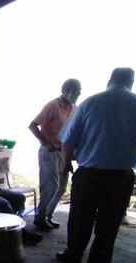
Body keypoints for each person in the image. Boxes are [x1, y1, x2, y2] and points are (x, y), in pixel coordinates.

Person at [56, 67, 136, 263]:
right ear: (131, 82)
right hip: (120, 176)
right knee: (109, 221)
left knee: (80, 218)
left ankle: (73, 255)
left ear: (110, 80)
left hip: (88, 174)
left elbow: (68, 140)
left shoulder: (89, 102)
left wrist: (65, 164)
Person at [29, 79, 82, 231]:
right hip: (50, 152)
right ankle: (40, 218)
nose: (79, 94)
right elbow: (32, 126)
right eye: (76, 91)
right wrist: (46, 143)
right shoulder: (53, 105)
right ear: (66, 91)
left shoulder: (73, 107)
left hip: (64, 152)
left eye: (79, 91)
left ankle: (48, 216)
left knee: (62, 187)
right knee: (51, 186)